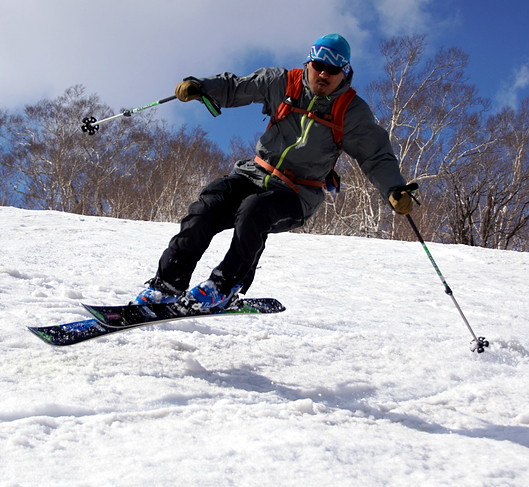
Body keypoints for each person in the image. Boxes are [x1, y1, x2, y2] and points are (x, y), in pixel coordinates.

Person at [133, 33, 413, 309]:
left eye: (333, 70)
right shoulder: (282, 82)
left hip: (297, 192)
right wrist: (201, 87)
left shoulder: (351, 111)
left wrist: (394, 189)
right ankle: (166, 286)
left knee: (255, 210)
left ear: (345, 73)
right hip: (253, 174)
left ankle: (224, 286)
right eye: (319, 66)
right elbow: (236, 87)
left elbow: (375, 155)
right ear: (308, 63)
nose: (324, 75)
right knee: (208, 205)